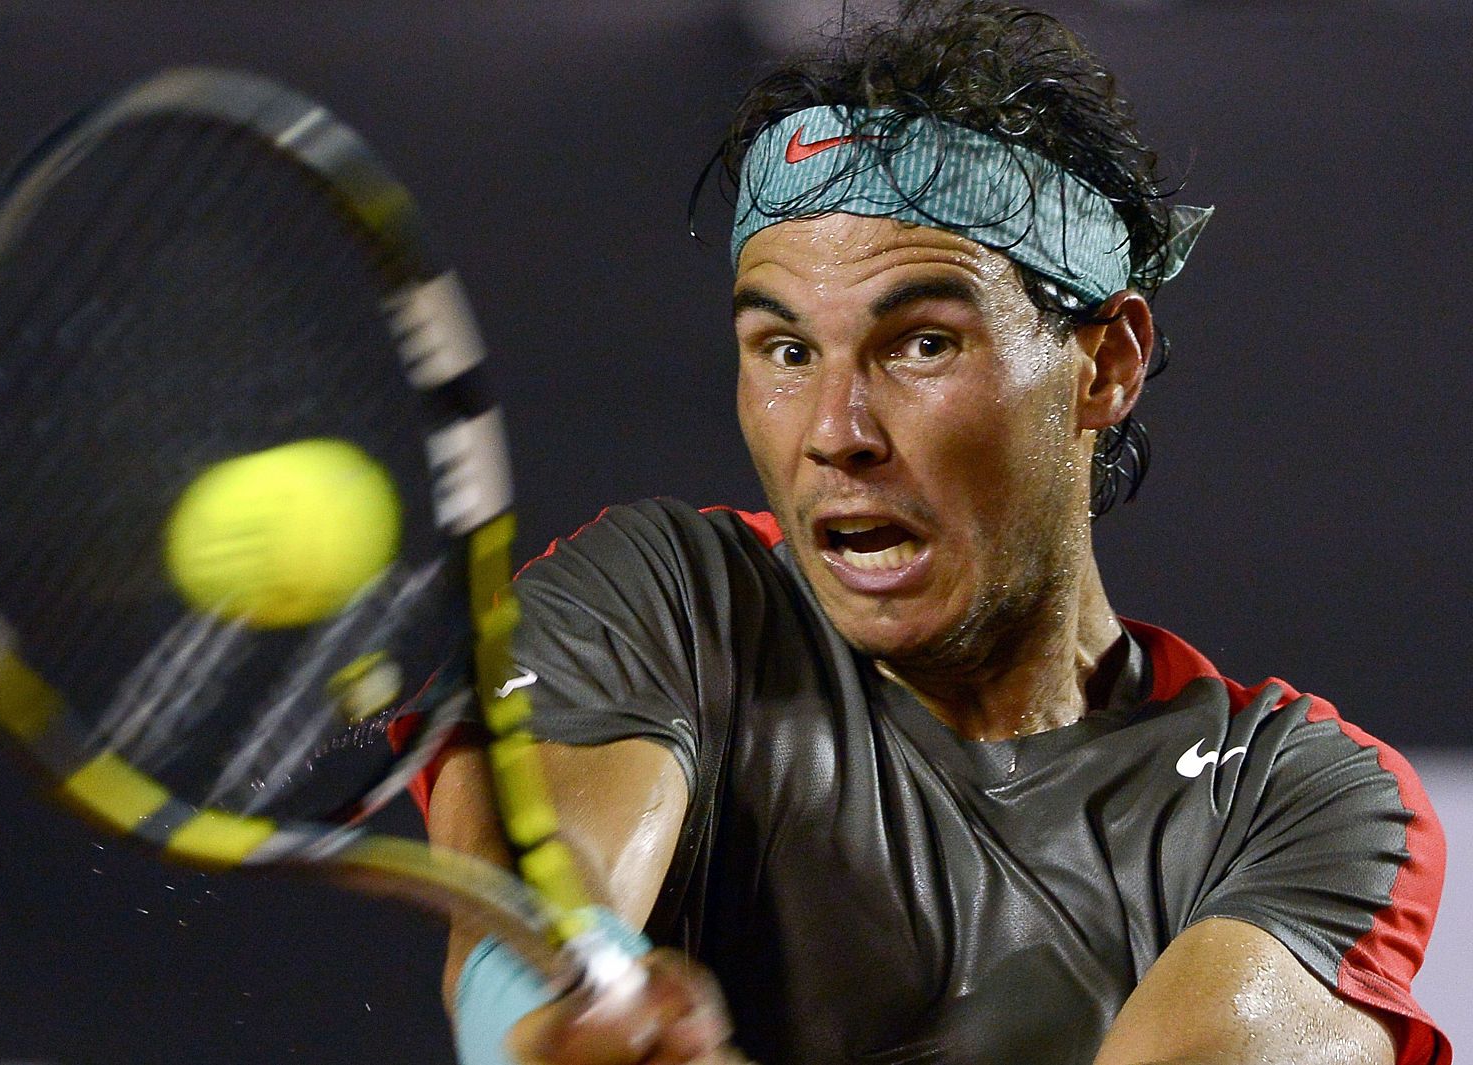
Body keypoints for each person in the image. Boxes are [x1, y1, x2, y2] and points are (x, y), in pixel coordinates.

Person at [422, 2, 1450, 1062]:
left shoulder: (1297, 802)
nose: (835, 432)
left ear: (1105, 364)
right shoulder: (668, 602)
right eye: (783, 350)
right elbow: (531, 950)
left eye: (920, 342)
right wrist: (560, 1012)